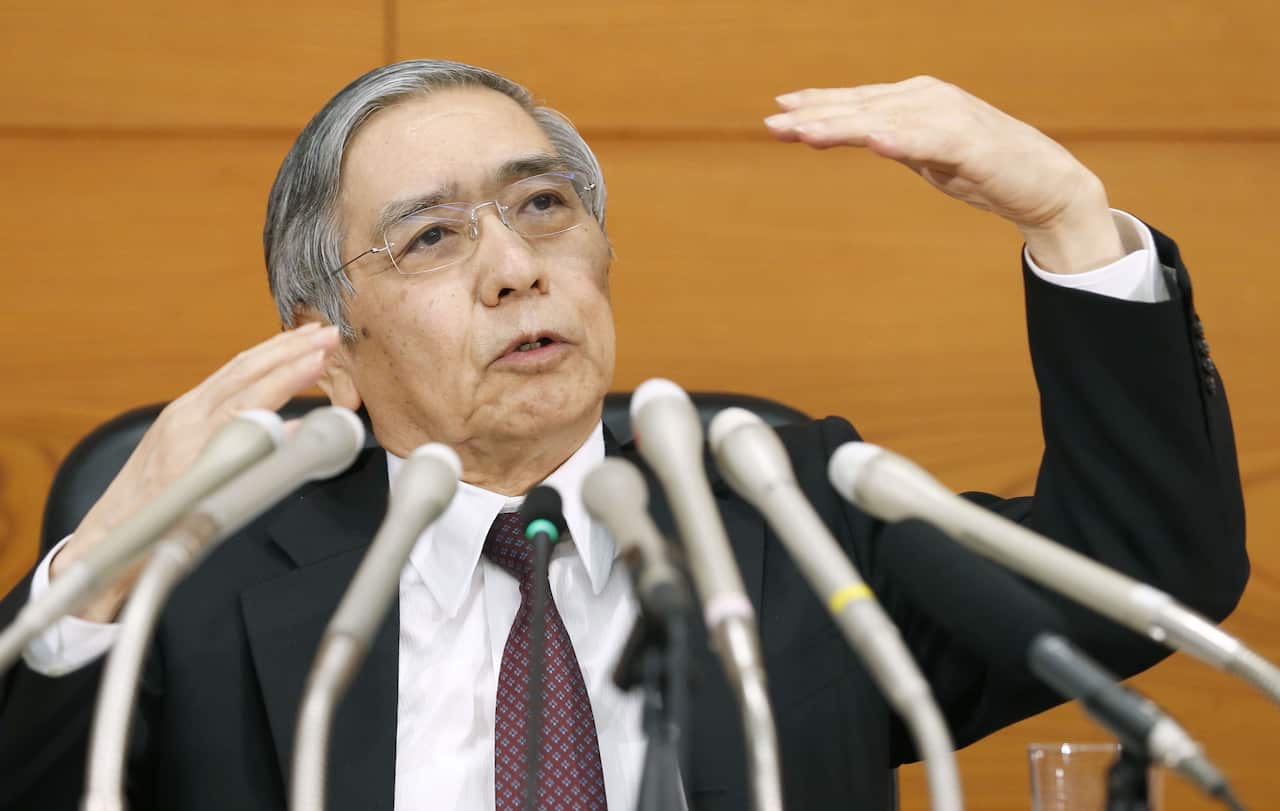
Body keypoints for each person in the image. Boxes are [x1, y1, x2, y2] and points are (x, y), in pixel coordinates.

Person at [0, 60, 1247, 810]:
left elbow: (1138, 578)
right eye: (431, 237)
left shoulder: (780, 513)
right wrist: (97, 573)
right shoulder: (212, 584)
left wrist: (1070, 217)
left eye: (543, 205)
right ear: (328, 345)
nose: (514, 267)